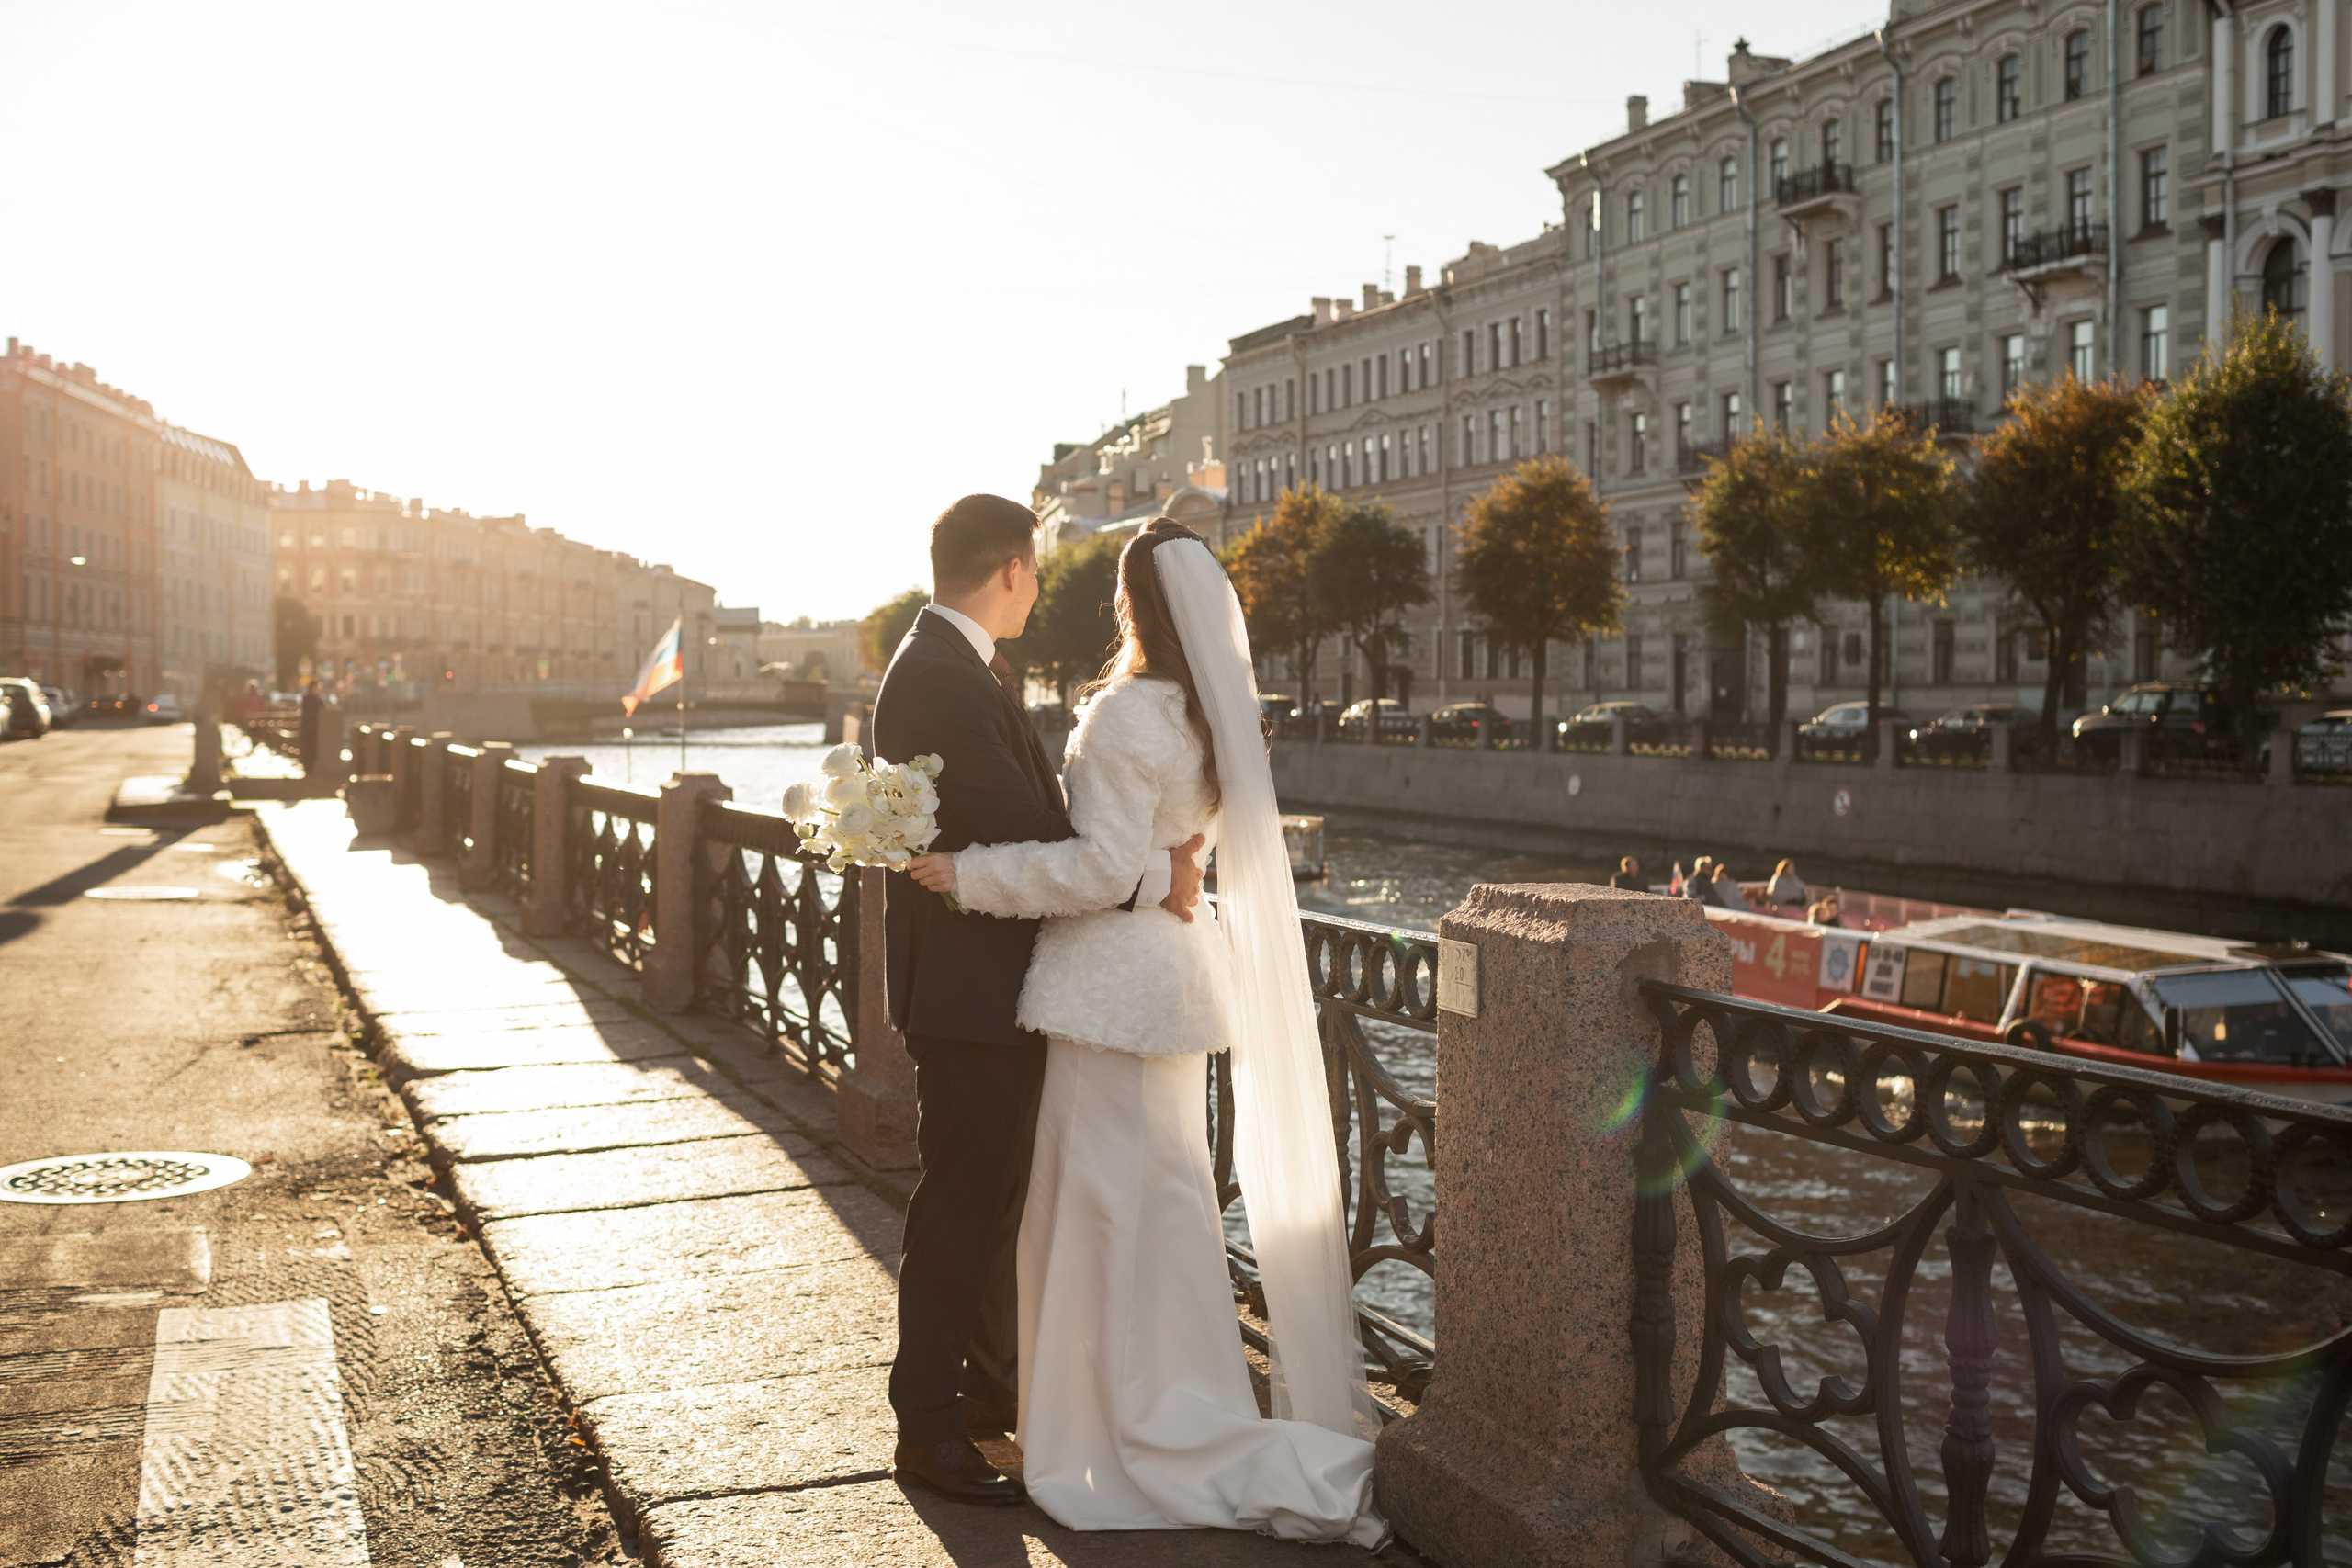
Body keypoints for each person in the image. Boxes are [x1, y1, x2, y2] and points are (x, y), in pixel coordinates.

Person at [906, 519, 1385, 1546]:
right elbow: (1170, 856)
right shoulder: (1215, 714)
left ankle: (1105, 1427)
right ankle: (1177, 1398)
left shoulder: (1122, 715)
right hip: (1172, 983)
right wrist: (1169, 870)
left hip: (1101, 990)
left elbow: (1091, 868)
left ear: (1132, 605)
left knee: (1093, 1211)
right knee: (1165, 1205)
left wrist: (969, 875)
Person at [871, 495, 1204, 1507]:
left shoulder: (951, 662)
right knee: (962, 1205)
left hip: (986, 982)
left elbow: (1021, 825)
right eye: (1036, 574)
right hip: (969, 991)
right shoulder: (937, 674)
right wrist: (1157, 873)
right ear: (1015, 569)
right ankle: (926, 1426)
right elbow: (1030, 826)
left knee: (988, 1196)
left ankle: (977, 1394)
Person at [297, 680, 324, 774]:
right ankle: (310, 767)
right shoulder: (316, 700)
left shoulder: (306, 699)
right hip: (313, 728)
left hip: (308, 728)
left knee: (308, 748)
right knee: (311, 748)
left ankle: (308, 767)